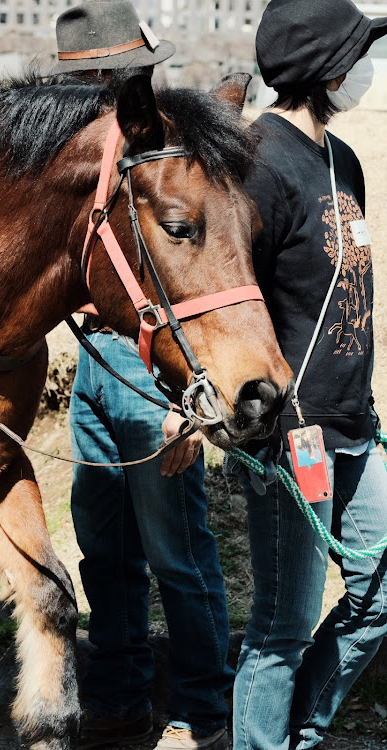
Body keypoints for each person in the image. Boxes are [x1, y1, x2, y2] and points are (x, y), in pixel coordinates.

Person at [52, 2, 234, 748]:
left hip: (150, 366)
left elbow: (198, 276)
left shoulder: (159, 147)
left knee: (177, 554)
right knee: (105, 548)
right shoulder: (77, 148)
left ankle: (201, 710)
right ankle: (120, 697)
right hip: (94, 361)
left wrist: (187, 399)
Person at [232, 1, 387, 748]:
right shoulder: (257, 164)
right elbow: (232, 303)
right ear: (327, 69)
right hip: (294, 438)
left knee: (380, 593)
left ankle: (297, 736)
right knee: (281, 627)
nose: (363, 71)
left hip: (354, 425)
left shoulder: (343, 158)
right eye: (356, 57)